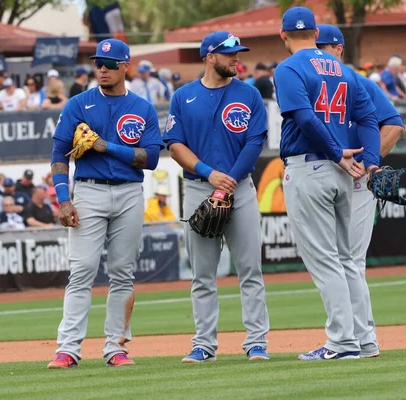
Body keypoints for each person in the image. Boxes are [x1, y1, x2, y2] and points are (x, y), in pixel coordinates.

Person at [48, 38, 163, 369]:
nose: (102, 69)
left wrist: (107, 147)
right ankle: (67, 348)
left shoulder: (141, 107)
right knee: (82, 270)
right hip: (89, 190)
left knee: (123, 273)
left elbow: (152, 158)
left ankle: (116, 347)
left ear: (125, 66)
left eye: (110, 64)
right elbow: (58, 155)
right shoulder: (78, 104)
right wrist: (63, 199)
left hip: (129, 192)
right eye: (98, 63)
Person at [274, 8, 380, 361]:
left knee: (326, 261)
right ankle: (365, 341)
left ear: (283, 35)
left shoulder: (289, 68)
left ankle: (342, 343)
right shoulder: (344, 70)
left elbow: (303, 117)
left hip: (312, 166)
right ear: (317, 32)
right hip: (343, 172)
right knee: (348, 260)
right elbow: (367, 118)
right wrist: (372, 161)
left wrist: (335, 152)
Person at [163, 31, 270, 363]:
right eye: (230, 54)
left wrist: (228, 181)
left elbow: (255, 143)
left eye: (238, 53)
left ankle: (256, 342)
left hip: (241, 188)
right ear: (210, 57)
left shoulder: (249, 94)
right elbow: (175, 144)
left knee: (250, 269)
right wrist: (209, 173)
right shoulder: (183, 96)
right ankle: (204, 345)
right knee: (202, 275)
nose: (237, 58)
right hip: (198, 187)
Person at [316, 24, 405, 359]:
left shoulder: (359, 82)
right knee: (338, 261)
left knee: (350, 260)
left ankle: (359, 340)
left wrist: (370, 161)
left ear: (339, 49)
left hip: (355, 182)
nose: (320, 52)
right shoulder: (310, 84)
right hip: (325, 178)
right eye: (316, 46)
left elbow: (393, 125)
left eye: (326, 47)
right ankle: (350, 338)